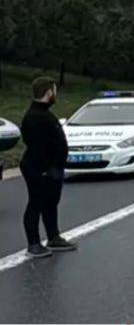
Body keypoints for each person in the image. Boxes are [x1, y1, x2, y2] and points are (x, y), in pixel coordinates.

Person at [19, 77, 76, 258]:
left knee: (51, 203)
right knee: (36, 203)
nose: (56, 95)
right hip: (39, 168)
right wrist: (45, 169)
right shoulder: (34, 116)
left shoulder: (45, 113)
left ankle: (53, 237)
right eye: (55, 91)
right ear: (49, 93)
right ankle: (33, 244)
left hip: (52, 167)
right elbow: (36, 147)